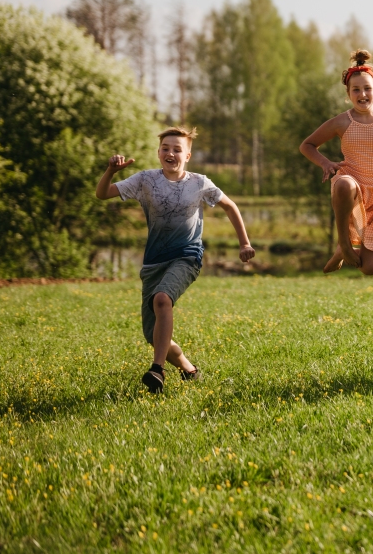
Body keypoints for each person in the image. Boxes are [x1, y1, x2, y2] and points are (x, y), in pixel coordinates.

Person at [96, 126, 255, 394]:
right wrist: (110, 171)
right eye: (166, 148)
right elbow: (102, 194)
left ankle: (157, 370)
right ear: (159, 152)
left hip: (187, 256)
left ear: (188, 156)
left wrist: (244, 242)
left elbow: (230, 206)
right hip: (153, 262)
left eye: (177, 149)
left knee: (162, 299)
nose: (171, 153)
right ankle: (189, 370)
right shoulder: (145, 180)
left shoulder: (199, 182)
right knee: (153, 334)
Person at [300, 50, 373, 275]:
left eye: (367, 88)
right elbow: (307, 145)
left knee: (369, 269)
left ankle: (342, 252)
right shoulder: (342, 121)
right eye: (356, 89)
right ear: (348, 93)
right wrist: (325, 163)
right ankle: (345, 243)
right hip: (353, 187)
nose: (362, 94)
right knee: (343, 184)